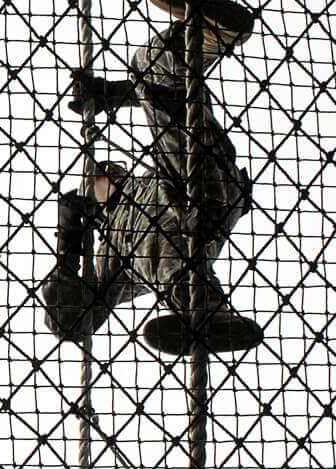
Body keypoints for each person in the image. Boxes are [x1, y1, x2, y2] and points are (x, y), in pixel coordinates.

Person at [41, 0, 264, 355]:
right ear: (96, 206)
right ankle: (203, 308)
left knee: (150, 76)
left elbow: (157, 104)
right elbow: (71, 322)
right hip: (199, 221)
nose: (110, 167)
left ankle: (211, 34)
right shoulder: (110, 255)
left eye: (110, 167)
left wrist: (112, 95)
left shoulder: (145, 180)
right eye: (101, 174)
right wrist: (68, 244)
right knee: (163, 258)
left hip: (196, 177)